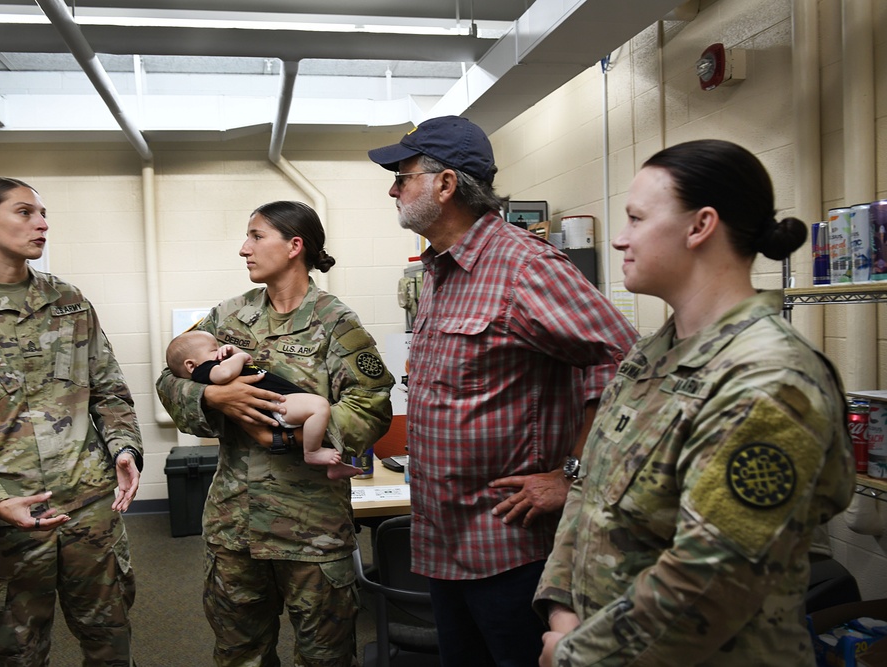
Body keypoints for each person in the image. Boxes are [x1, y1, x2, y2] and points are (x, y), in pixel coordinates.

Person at [532, 139, 856, 665]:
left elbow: (711, 578)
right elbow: (586, 495)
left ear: (700, 226)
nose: (619, 239)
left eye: (636, 219)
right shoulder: (649, 356)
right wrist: (562, 613)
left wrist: (577, 654)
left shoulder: (768, 379)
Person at [367, 115, 638, 666]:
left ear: (445, 185)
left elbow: (626, 363)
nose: (394, 188)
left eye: (404, 175)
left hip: (509, 548)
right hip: (444, 542)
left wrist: (574, 477)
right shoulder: (441, 271)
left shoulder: (523, 266)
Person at [0, 176, 144, 666]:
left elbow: (109, 388)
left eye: (43, 213)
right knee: (19, 652)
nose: (42, 223)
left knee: (109, 640)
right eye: (25, 212)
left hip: (89, 508)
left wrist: (124, 448)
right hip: (6, 520)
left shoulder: (69, 302)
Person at [155, 200, 394, 666]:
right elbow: (170, 378)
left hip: (311, 531)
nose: (244, 249)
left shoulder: (335, 323)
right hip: (234, 528)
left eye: (256, 236)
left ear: (294, 246)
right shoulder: (227, 317)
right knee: (239, 654)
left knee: (324, 657)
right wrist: (212, 399)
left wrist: (284, 438)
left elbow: (372, 404)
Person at [166, 329, 360, 479]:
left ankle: (334, 466)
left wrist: (235, 351)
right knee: (319, 406)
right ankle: (312, 451)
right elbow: (224, 374)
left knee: (316, 409)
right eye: (214, 350)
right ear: (191, 365)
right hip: (276, 405)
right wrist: (238, 357)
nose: (220, 352)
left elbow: (246, 364)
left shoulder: (215, 362)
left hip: (280, 400)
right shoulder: (203, 369)